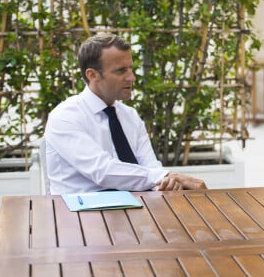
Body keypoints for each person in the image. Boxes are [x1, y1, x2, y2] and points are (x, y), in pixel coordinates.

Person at [44, 32, 207, 194]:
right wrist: (165, 176)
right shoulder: (65, 117)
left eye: (131, 68)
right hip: (78, 214)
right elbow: (103, 171)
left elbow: (151, 168)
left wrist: (167, 182)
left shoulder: (130, 116)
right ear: (92, 75)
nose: (132, 77)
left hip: (135, 210)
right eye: (121, 71)